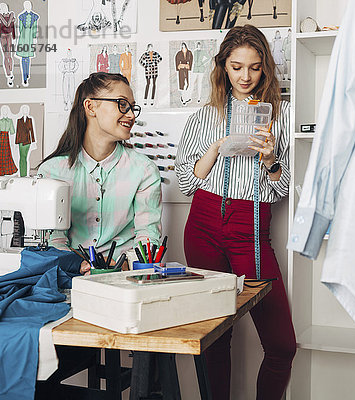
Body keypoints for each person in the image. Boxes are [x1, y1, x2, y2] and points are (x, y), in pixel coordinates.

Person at [175, 24, 296, 400]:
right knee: (214, 339)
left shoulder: (284, 116)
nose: (245, 76)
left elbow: (283, 188)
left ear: (266, 68)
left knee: (281, 345)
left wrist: (271, 160)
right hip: (203, 224)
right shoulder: (203, 115)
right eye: (236, 66)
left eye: (255, 67)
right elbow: (184, 182)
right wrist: (215, 148)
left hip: (252, 227)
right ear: (223, 67)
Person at [37, 72, 162, 275]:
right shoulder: (52, 171)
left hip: (123, 276)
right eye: (122, 104)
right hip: (67, 274)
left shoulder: (144, 170)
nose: (131, 115)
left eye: (132, 107)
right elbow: (54, 239)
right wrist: (76, 264)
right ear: (90, 107)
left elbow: (147, 236)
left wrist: (123, 264)